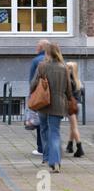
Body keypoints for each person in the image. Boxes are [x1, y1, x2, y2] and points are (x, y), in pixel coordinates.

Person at [30, 43, 72, 173]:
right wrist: (69, 99)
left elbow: (33, 84)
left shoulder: (42, 66)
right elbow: (68, 89)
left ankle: (48, 158)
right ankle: (55, 161)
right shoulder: (64, 68)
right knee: (55, 132)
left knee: (44, 129)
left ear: (47, 53)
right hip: (58, 104)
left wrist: (32, 94)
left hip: (43, 103)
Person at [29, 39, 50, 157]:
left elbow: (32, 80)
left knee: (40, 123)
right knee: (51, 124)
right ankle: (52, 147)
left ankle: (41, 148)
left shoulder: (36, 61)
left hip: (40, 96)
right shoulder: (54, 60)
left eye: (37, 46)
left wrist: (31, 96)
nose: (36, 47)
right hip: (53, 97)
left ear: (41, 48)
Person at [65, 62, 85, 157]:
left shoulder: (69, 81)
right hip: (77, 105)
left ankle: (79, 148)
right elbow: (82, 93)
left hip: (71, 106)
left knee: (74, 127)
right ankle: (70, 145)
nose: (65, 69)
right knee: (72, 126)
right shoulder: (78, 81)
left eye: (67, 68)